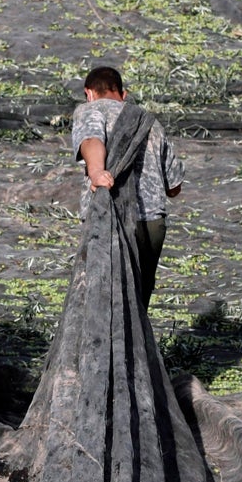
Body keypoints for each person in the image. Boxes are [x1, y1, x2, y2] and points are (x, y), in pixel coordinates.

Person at [72, 66, 182, 307]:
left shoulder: (89, 110)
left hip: (111, 218)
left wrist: (96, 172)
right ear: (123, 94)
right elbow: (174, 187)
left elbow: (91, 139)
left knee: (103, 298)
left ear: (88, 93)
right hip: (151, 222)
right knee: (137, 301)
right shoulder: (150, 122)